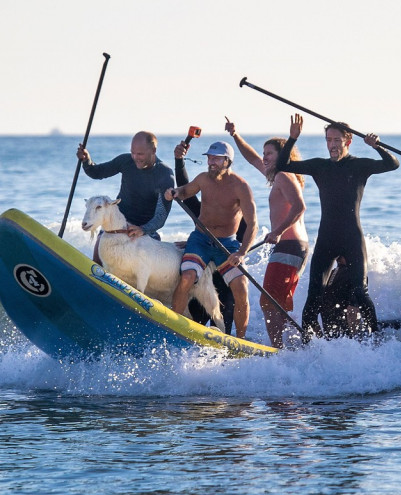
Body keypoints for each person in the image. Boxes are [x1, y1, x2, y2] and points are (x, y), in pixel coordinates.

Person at [277, 114, 400, 340]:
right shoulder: (319, 166)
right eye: (328, 140)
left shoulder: (359, 165)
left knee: (360, 293)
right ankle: (310, 345)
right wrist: (292, 138)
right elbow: (282, 164)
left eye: (336, 140)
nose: (331, 145)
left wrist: (377, 146)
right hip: (327, 238)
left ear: (348, 141)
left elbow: (392, 164)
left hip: (352, 237)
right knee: (314, 295)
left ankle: (376, 341)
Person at [225, 117, 309, 348]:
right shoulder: (277, 175)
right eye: (265, 153)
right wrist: (235, 135)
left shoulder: (284, 176)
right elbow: (252, 158)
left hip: (290, 245)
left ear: (282, 156)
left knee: (268, 301)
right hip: (289, 246)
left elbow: (300, 207)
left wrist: (278, 231)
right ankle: (297, 344)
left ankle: (278, 349)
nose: (264, 157)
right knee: (276, 301)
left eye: (269, 154)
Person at [164, 141, 258, 338]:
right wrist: (175, 192)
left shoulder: (241, 186)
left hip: (228, 244)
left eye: (215, 158)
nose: (210, 162)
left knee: (241, 287)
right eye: (209, 158)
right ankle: (172, 327)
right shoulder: (203, 179)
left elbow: (253, 224)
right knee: (187, 277)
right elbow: (185, 191)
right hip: (200, 240)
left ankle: (240, 340)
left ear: (227, 161)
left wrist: (241, 252)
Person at [77, 131, 174, 264]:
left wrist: (144, 229)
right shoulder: (125, 161)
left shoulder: (165, 174)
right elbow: (97, 172)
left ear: (153, 150)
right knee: (98, 260)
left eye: (140, 154)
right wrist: (86, 161)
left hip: (144, 228)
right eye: (133, 152)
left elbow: (161, 215)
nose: (135, 157)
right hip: (118, 222)